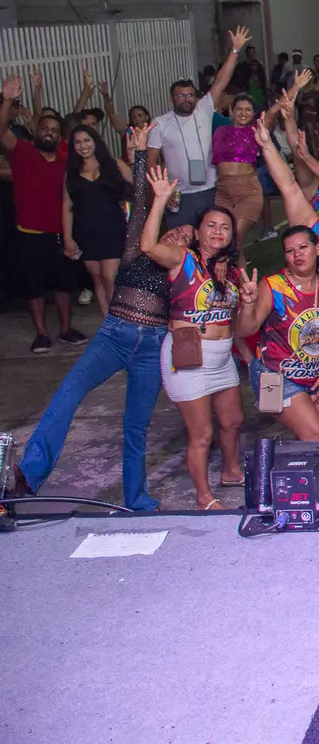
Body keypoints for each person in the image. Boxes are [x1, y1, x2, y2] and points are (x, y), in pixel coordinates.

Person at [11, 126, 177, 511]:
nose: (174, 238)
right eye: (169, 234)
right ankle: (27, 476)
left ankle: (137, 499)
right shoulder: (136, 250)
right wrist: (140, 158)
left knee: (136, 427)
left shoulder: (182, 269)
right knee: (68, 394)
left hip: (151, 347)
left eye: (182, 235)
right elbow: (140, 204)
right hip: (115, 335)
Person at [140, 165, 247, 511]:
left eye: (225, 227)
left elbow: (236, 323)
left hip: (222, 358)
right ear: (197, 232)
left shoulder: (231, 272)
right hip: (189, 357)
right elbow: (148, 247)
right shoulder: (183, 260)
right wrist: (159, 200)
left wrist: (248, 302)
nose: (218, 232)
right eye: (211, 225)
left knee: (232, 422)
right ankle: (203, 498)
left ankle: (231, 472)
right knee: (202, 435)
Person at [0, 76, 88, 352]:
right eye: (44, 128)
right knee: (34, 286)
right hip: (29, 233)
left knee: (64, 285)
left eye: (54, 130)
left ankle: (65, 329)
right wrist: (7, 100)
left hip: (61, 232)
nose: (49, 133)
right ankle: (41, 333)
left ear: (59, 136)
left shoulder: (65, 159)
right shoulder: (22, 151)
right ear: (36, 131)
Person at [235, 226, 319, 441]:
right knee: (315, 435)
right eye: (290, 251)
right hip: (277, 377)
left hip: (315, 375)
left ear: (317, 249)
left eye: (303, 247)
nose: (297, 255)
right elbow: (246, 330)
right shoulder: (273, 286)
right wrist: (247, 305)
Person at [148, 27, 250, 229]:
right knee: (179, 238)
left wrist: (235, 50)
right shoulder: (160, 123)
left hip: (209, 190)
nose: (186, 99)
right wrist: (160, 191)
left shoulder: (204, 109)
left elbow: (221, 81)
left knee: (210, 237)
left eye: (190, 95)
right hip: (178, 193)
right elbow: (152, 160)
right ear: (171, 98)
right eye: (180, 95)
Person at [62, 123, 132, 315]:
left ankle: (119, 319)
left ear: (96, 141)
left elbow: (138, 189)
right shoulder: (71, 173)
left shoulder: (116, 164)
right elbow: (67, 207)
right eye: (77, 142)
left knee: (110, 276)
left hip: (113, 228)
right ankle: (107, 321)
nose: (83, 146)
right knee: (97, 278)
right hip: (86, 231)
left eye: (87, 140)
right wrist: (68, 238)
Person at [210, 94, 268, 254]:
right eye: (239, 109)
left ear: (254, 113)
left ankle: (224, 266)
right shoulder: (220, 131)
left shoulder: (255, 131)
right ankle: (237, 271)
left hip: (248, 192)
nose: (243, 113)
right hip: (222, 192)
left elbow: (274, 112)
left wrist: (295, 88)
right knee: (234, 245)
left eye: (248, 110)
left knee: (232, 240)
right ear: (232, 110)